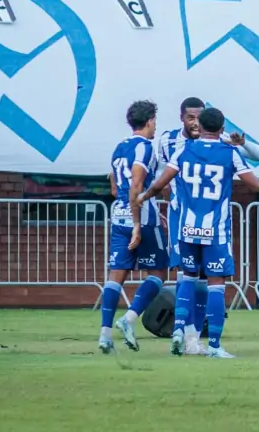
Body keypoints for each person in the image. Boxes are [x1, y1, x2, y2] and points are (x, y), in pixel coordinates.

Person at [142, 107, 259, 359]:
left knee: (187, 277)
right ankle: (214, 345)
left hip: (186, 228)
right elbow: (256, 185)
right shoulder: (230, 153)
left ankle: (179, 331)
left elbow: (160, 184)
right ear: (222, 128)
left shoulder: (182, 150)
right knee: (216, 285)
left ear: (199, 127)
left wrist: (143, 197)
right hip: (215, 230)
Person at [98, 101, 169, 354]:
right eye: (155, 121)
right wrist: (139, 222)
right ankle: (128, 319)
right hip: (141, 216)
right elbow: (137, 186)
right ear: (149, 120)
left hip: (118, 215)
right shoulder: (145, 147)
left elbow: (115, 188)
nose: (155, 126)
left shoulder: (120, 147)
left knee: (116, 274)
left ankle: (105, 335)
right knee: (158, 272)